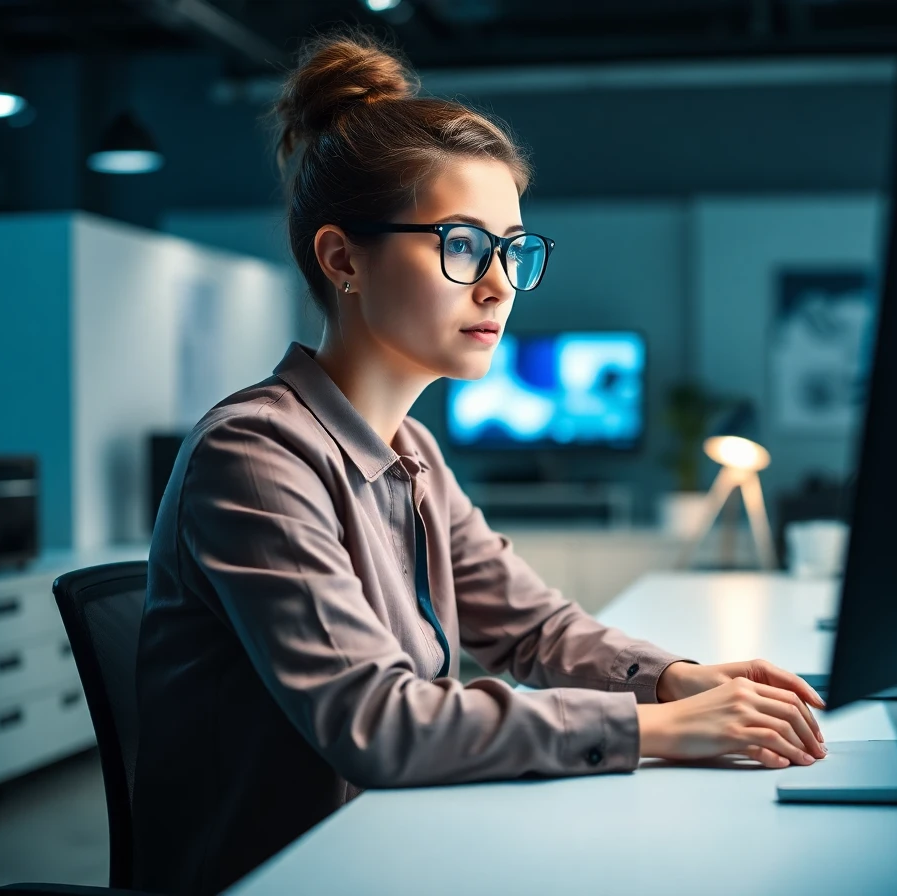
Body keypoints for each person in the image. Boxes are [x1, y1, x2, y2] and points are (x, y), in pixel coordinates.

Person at [131, 30, 827, 896]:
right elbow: (377, 722)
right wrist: (659, 730)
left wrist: (675, 679)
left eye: (512, 249)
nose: (498, 283)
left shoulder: (410, 451)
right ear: (344, 259)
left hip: (395, 846)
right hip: (288, 877)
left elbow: (532, 628)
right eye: (462, 245)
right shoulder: (256, 454)